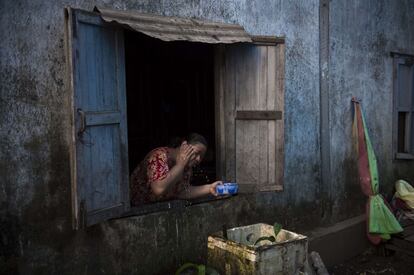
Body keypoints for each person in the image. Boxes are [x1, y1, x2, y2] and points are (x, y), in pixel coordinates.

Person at [130, 133, 222, 206]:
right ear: (184, 145)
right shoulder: (159, 156)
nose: (198, 159)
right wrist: (180, 165)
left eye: (201, 157)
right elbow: (158, 189)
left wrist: (210, 188)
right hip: (136, 209)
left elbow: (182, 192)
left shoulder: (187, 166)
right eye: (197, 153)